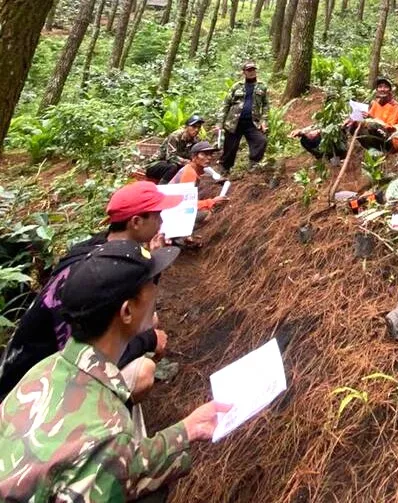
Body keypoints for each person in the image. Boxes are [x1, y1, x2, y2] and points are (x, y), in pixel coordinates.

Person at [0, 239, 231, 501]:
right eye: (152, 282)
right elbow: (108, 454)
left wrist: (187, 430)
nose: (157, 289)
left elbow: (116, 458)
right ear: (127, 311)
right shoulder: (107, 431)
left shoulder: (44, 370)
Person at [0, 181, 182, 401]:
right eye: (157, 215)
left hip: (59, 352)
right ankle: (107, 422)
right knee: (144, 371)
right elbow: (79, 354)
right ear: (136, 222)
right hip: (37, 383)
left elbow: (137, 295)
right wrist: (148, 341)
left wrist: (151, 258)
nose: (162, 221)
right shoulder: (91, 275)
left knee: (149, 320)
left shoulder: (101, 249)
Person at [293, 76, 398, 159]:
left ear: (390, 90)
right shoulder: (375, 103)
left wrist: (371, 118)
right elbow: (355, 121)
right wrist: (306, 131)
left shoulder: (395, 107)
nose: (382, 89)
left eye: (385, 87)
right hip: (376, 136)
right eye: (380, 87)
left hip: (389, 140)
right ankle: (373, 151)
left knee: (372, 124)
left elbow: (391, 128)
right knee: (353, 126)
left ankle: (381, 152)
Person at [217, 61, 269, 173]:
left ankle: (254, 163)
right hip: (234, 122)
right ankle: (224, 168)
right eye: (249, 70)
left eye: (253, 70)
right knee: (230, 147)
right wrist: (220, 122)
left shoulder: (262, 86)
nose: (252, 72)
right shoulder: (236, 86)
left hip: (252, 122)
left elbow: (265, 105)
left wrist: (264, 121)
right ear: (244, 72)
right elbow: (226, 104)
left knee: (261, 141)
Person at [169, 141, 229, 216]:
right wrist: (212, 202)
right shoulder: (189, 173)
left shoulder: (195, 170)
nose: (209, 158)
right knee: (206, 214)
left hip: (174, 206)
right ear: (194, 157)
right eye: (203, 154)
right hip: (172, 211)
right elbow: (185, 204)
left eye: (210, 154)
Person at [145, 115, 205, 184]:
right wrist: (188, 162)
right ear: (186, 127)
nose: (196, 130)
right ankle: (162, 189)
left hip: (174, 165)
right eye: (194, 126)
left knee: (190, 168)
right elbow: (170, 157)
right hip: (156, 165)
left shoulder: (195, 141)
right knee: (173, 167)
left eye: (198, 127)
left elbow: (194, 157)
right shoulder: (175, 136)